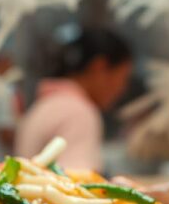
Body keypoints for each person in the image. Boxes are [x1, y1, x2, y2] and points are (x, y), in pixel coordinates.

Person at [15, 28, 133, 171]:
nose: (122, 89)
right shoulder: (78, 112)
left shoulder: (47, 104)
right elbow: (77, 177)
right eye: (123, 78)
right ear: (99, 67)